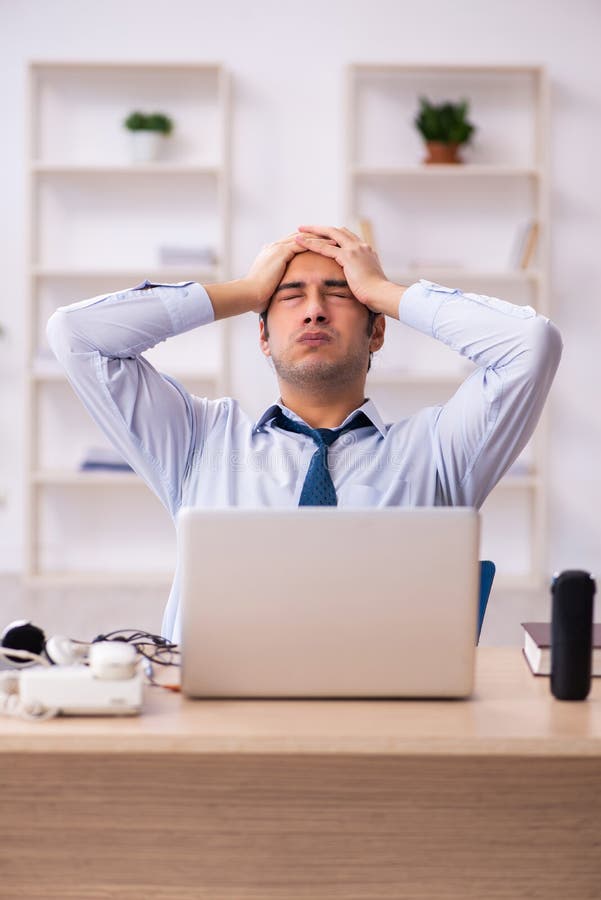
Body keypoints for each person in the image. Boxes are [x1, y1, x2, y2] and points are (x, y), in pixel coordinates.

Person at [47, 224, 563, 641]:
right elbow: (77, 336)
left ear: (377, 330)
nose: (315, 309)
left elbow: (530, 344)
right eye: (291, 296)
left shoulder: (439, 449)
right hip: (220, 732)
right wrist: (245, 291)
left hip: (390, 730)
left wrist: (383, 291)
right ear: (264, 338)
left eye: (339, 294)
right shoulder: (199, 440)